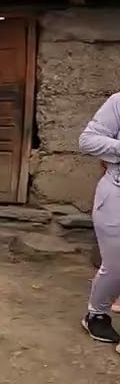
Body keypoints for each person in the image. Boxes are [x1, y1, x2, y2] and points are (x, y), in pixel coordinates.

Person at [78, 93, 120, 347]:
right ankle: (97, 314)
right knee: (116, 264)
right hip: (116, 193)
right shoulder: (118, 102)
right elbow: (87, 141)